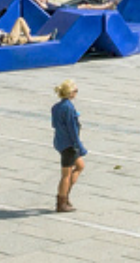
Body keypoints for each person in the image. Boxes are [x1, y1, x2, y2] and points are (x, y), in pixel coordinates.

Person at [52, 81, 86, 213]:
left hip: (60, 141)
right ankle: (62, 201)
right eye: (76, 91)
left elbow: (54, 124)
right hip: (69, 145)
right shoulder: (69, 108)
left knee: (80, 166)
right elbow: (72, 129)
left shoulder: (56, 106)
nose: (76, 93)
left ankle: (65, 195)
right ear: (70, 93)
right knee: (66, 175)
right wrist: (79, 146)